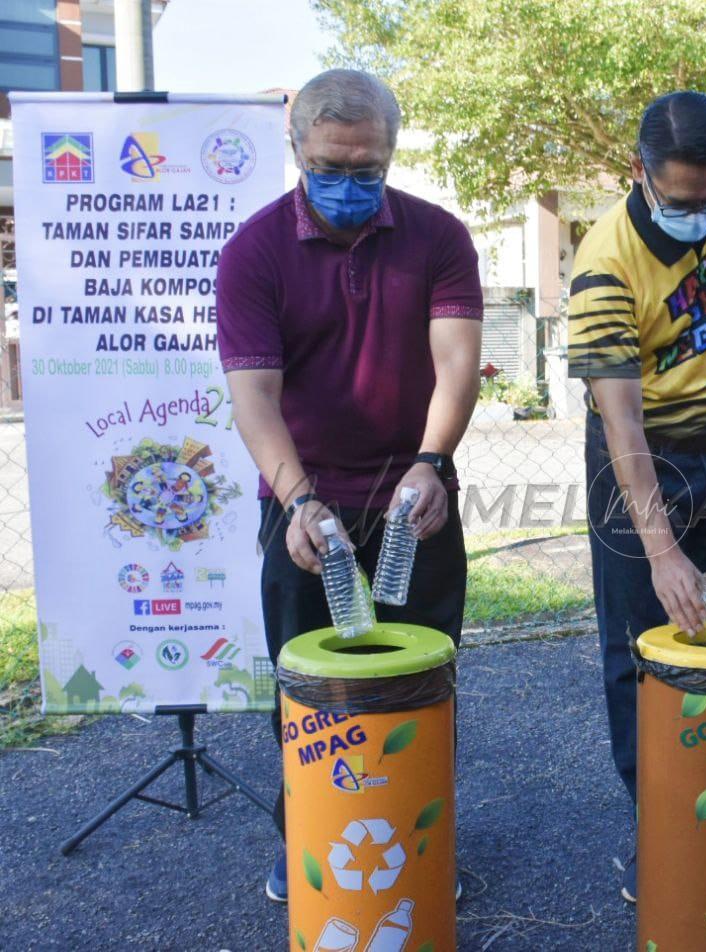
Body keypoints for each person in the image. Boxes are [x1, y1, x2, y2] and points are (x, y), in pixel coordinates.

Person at [215, 68, 483, 902]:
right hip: (305, 505)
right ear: (297, 150)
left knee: (419, 686)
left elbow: (457, 362)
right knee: (312, 694)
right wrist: (297, 500)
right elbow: (253, 397)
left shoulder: (439, 237)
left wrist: (432, 463)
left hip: (416, 498)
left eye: (367, 169)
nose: (348, 184)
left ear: (392, 154)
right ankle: (308, 845)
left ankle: (415, 847)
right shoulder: (254, 252)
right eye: (330, 167)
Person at [568, 90, 706, 903]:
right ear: (641, 173)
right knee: (642, 657)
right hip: (641, 462)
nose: (704, 211)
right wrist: (661, 550)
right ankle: (660, 829)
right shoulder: (604, 266)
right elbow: (619, 423)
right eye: (684, 200)